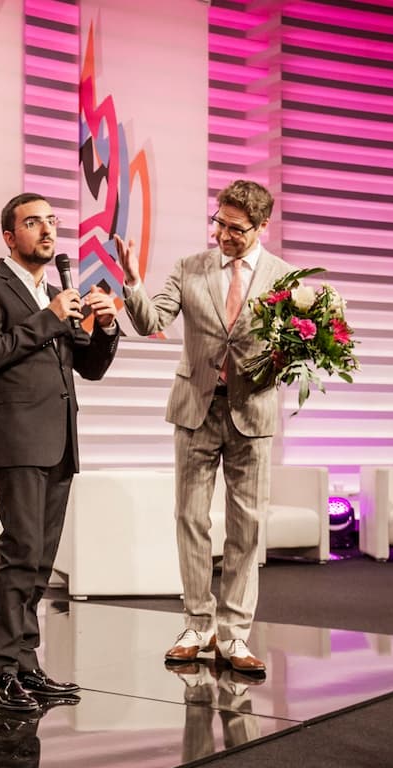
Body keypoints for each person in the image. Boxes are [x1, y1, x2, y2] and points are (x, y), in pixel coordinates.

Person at [115, 178, 292, 674]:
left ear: (261, 227)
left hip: (250, 412)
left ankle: (235, 635)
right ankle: (197, 623)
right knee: (191, 519)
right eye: (219, 222)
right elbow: (152, 322)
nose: (223, 235)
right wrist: (132, 283)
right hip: (196, 408)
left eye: (236, 229)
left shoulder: (284, 279)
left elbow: (294, 348)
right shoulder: (190, 268)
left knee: (247, 527)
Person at [0, 192, 119, 712]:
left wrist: (107, 326)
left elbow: (89, 368)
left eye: (52, 222)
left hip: (58, 441)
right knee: (21, 553)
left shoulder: (59, 292)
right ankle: (0, 673)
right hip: (17, 439)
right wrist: (50, 318)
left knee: (42, 561)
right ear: (10, 236)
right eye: (34, 223)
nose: (48, 231)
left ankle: (27, 668)